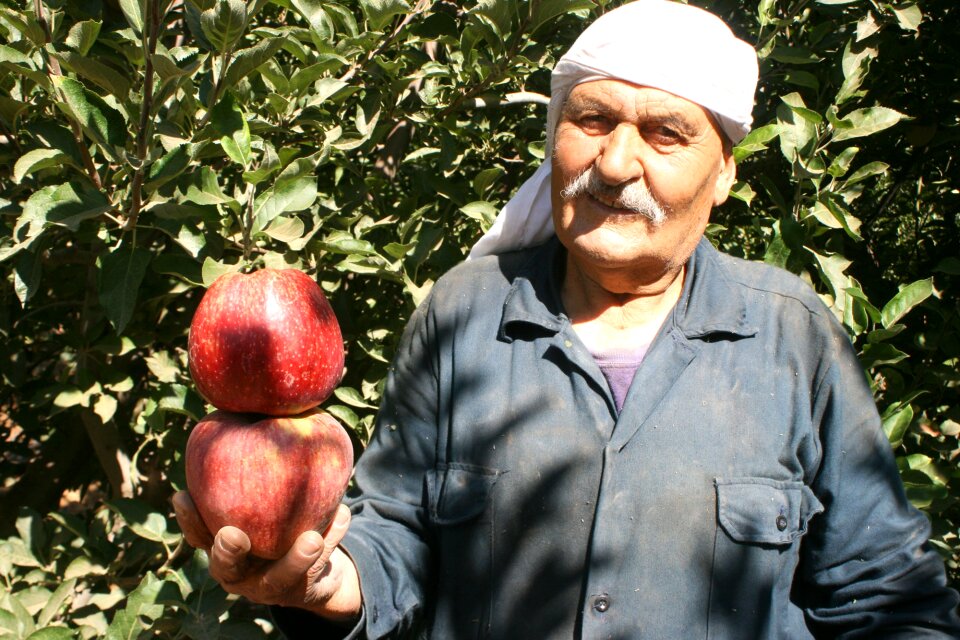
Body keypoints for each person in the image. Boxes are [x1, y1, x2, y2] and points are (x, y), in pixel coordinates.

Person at [174, 1, 960, 637]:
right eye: (592, 121)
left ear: (723, 173)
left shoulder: (793, 337)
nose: (616, 165)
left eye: (665, 133)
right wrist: (325, 581)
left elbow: (888, 598)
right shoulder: (462, 313)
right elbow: (392, 536)